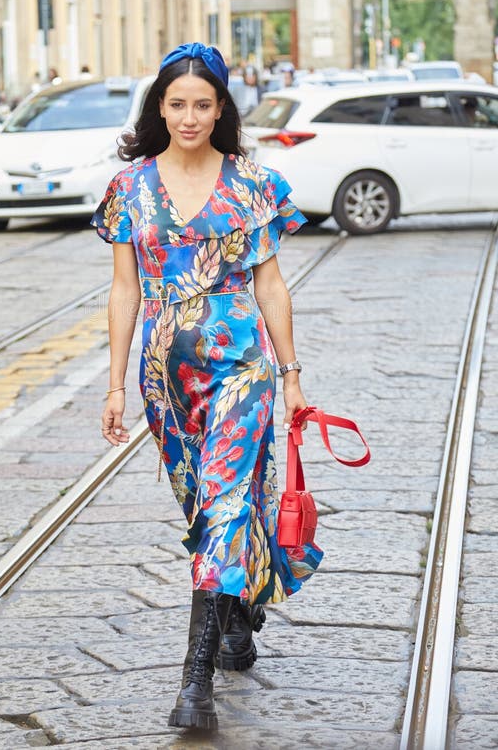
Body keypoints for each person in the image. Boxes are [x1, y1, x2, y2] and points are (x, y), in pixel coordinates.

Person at [92, 42, 322, 732]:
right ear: (158, 108)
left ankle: (194, 686)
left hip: (242, 366)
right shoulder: (130, 188)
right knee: (206, 513)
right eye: (176, 104)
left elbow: (272, 284)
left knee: (223, 507)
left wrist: (290, 378)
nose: (189, 116)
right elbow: (124, 291)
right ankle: (238, 614)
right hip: (167, 379)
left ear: (221, 108)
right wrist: (113, 386)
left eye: (202, 104)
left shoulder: (252, 182)